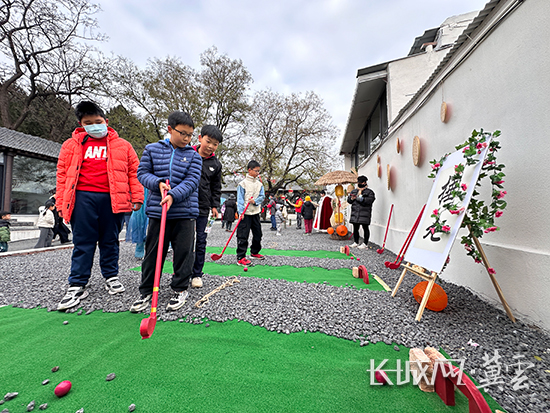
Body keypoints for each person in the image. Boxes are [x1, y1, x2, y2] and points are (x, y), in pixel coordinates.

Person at [56, 101, 144, 311]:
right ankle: (77, 283)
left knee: (110, 240)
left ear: (106, 121)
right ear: (81, 124)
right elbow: (61, 175)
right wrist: (61, 202)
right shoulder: (71, 145)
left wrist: (137, 196)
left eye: (98, 121)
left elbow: (134, 172)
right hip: (82, 198)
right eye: (89, 123)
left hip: (112, 198)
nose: (95, 125)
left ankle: (111, 276)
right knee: (82, 241)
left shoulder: (123, 145)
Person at [130, 111, 202, 313]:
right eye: (183, 133)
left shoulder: (194, 156)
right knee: (153, 253)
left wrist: (173, 196)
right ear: (170, 129)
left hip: (184, 212)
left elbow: (191, 182)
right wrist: (158, 184)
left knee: (183, 253)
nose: (187, 139)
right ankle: (146, 291)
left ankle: (180, 289)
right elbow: (142, 173)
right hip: (157, 211)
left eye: (190, 135)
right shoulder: (152, 150)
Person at [191, 124, 223, 289]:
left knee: (201, 240)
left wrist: (215, 205)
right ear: (200, 138)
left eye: (215, 144)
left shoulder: (216, 165)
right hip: (185, 206)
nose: (210, 146)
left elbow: (216, 188)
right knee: (184, 241)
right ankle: (181, 272)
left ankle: (197, 274)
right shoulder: (187, 154)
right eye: (208, 141)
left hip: (204, 208)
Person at [236, 160, 265, 266]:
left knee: (258, 234)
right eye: (256, 171)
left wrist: (255, 201)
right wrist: (241, 212)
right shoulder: (242, 184)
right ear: (249, 170)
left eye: (259, 171)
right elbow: (239, 199)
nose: (258, 173)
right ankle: (241, 257)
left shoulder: (259, 184)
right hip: (245, 213)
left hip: (255, 212)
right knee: (243, 235)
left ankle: (254, 252)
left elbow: (262, 196)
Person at [347, 175, 376, 249]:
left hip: (365, 213)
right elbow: (349, 201)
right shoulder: (354, 191)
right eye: (358, 182)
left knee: (365, 228)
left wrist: (360, 198)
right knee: (355, 228)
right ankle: (355, 242)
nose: (359, 183)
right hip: (355, 213)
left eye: (361, 182)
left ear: (365, 182)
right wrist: (352, 198)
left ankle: (365, 243)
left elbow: (369, 201)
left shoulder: (370, 192)